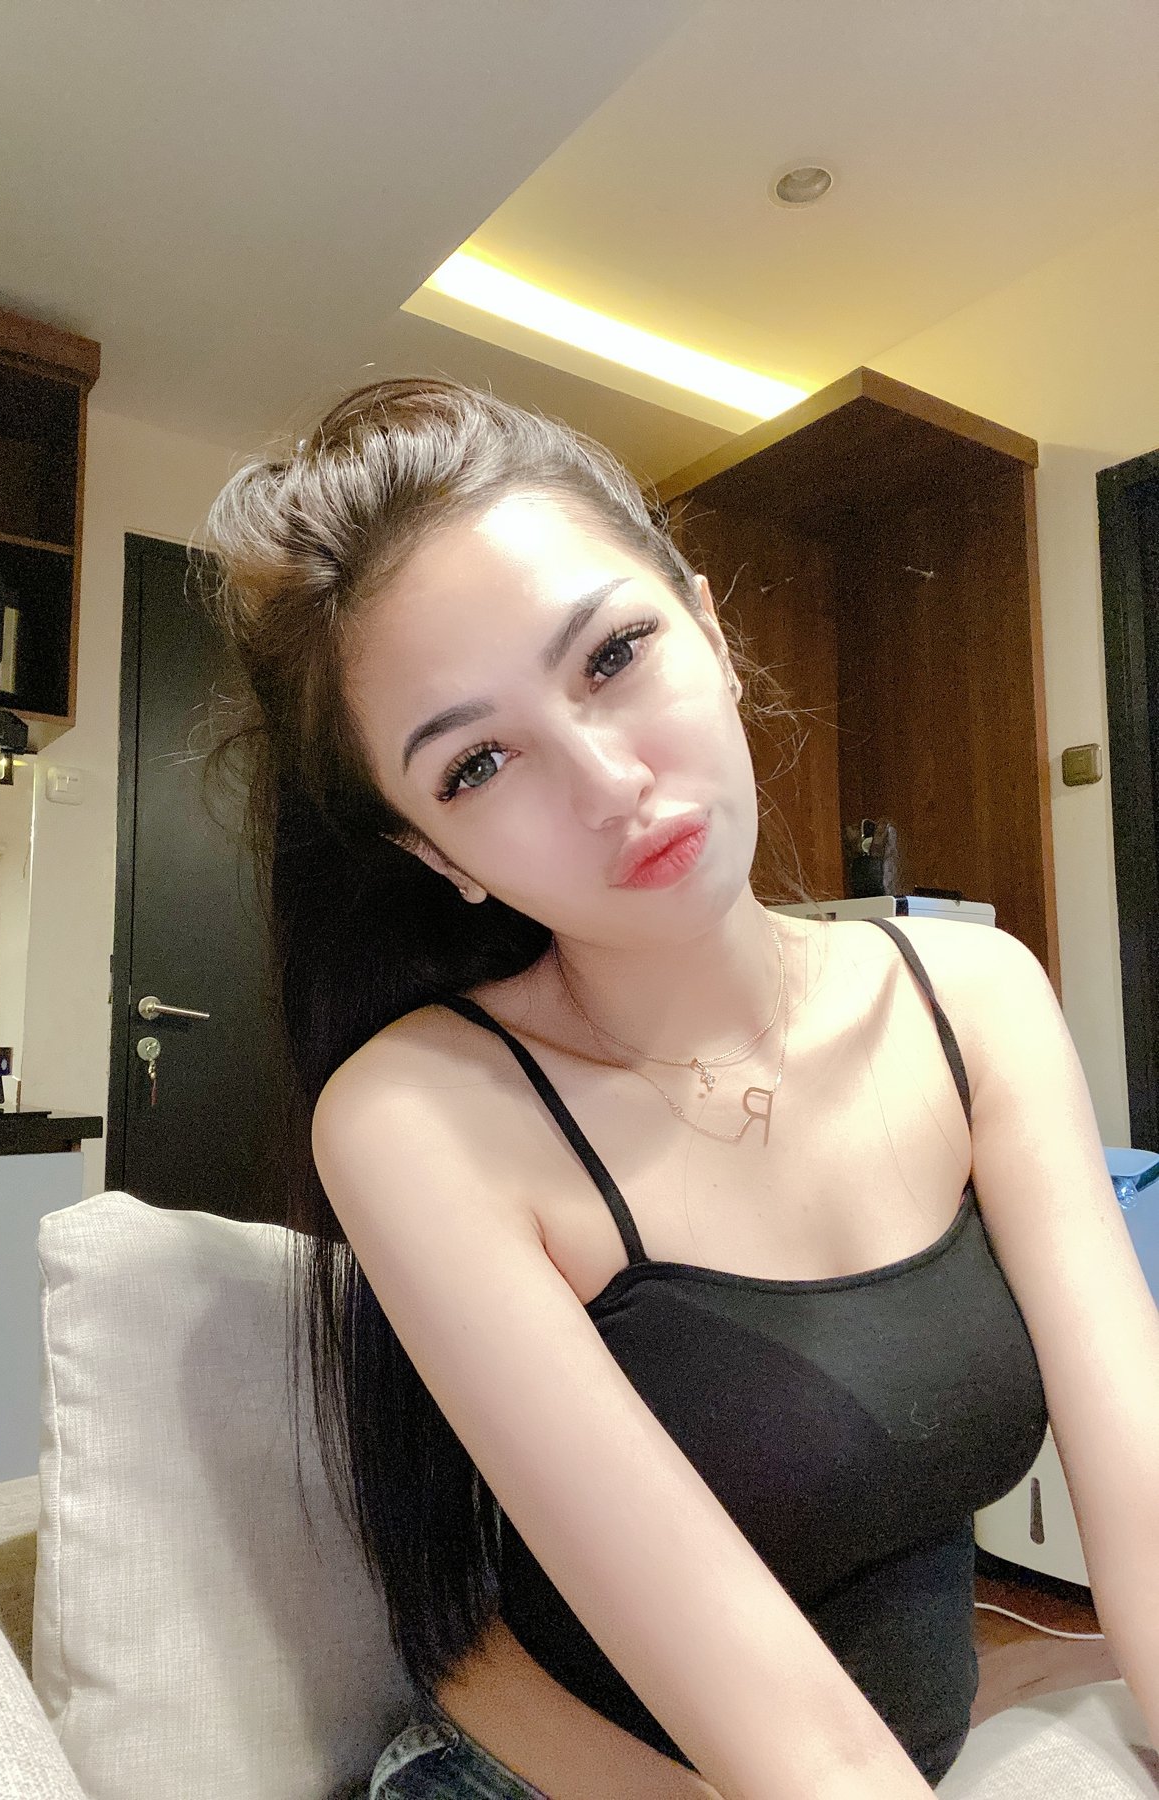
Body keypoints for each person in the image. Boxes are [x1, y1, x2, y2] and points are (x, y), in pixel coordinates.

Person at [202, 378, 1159, 1799]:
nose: (605, 781)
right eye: (476, 763)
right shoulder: (419, 1119)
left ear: (710, 632)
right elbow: (803, 1756)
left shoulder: (979, 995)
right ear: (434, 855)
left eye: (611, 655)